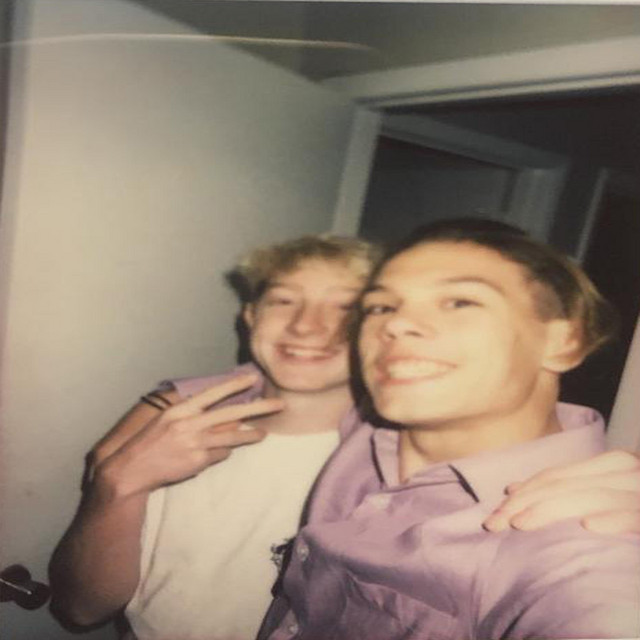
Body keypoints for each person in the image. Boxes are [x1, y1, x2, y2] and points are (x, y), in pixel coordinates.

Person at [49, 232, 640, 640]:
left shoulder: (399, 455)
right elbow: (81, 610)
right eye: (283, 301)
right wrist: (117, 481)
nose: (308, 327)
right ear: (250, 317)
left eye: (348, 309)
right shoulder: (179, 428)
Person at [259, 221, 640, 640]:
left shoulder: (583, 549)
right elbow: (281, 372)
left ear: (564, 342)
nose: (397, 324)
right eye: (381, 307)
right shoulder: (366, 424)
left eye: (459, 302)